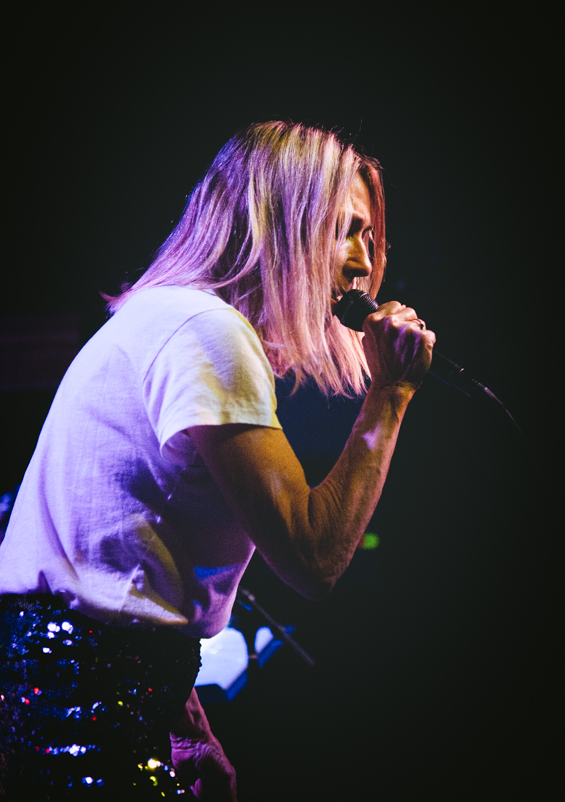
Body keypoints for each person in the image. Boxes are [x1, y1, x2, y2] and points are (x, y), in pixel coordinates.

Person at [0, 121, 434, 798]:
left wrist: (181, 716)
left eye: (371, 240)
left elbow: (118, 558)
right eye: (347, 230)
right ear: (283, 220)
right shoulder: (209, 332)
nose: (362, 262)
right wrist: (390, 392)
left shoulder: (164, 317)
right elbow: (313, 558)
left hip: (67, 683)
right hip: (82, 703)